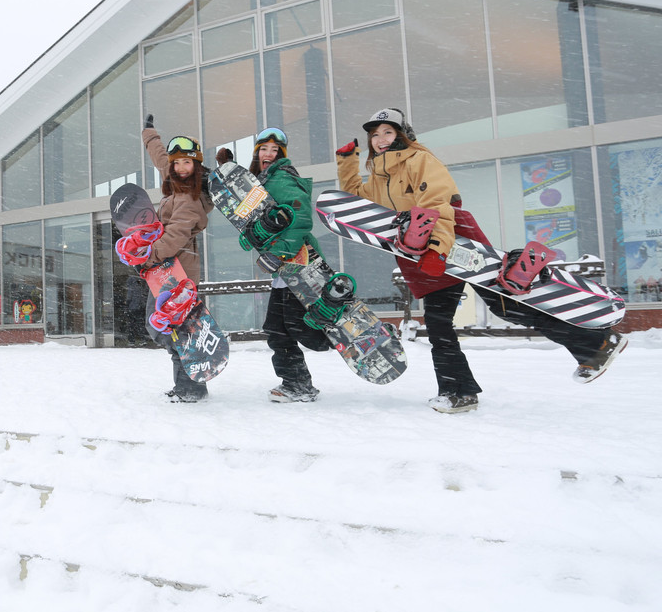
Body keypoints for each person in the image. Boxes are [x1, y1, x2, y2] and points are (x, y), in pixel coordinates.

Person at [336, 108, 627, 413]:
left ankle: (596, 345)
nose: (381, 139)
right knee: (439, 325)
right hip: (416, 252)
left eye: (388, 132)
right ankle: (458, 391)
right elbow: (357, 199)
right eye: (375, 134)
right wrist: (347, 162)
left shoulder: (419, 160)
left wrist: (437, 248)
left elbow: (439, 202)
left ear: (402, 134)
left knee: (507, 306)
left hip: (452, 241)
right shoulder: (381, 176)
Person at [218, 128, 332, 402]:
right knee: (276, 329)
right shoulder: (260, 181)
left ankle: (331, 333)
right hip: (285, 271)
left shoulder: (283, 178)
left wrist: (279, 253)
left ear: (281, 155)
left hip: (298, 263)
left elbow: (301, 219)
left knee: (296, 327)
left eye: (274, 150)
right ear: (256, 153)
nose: (268, 154)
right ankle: (297, 383)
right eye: (263, 149)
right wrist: (224, 171)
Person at [139, 114, 215, 402]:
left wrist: (148, 257)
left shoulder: (190, 198)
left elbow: (174, 237)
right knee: (165, 326)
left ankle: (191, 386)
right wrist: (149, 134)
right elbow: (160, 158)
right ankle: (187, 383)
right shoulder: (175, 182)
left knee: (173, 328)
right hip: (166, 270)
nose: (181, 168)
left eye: (187, 162)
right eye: (177, 162)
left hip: (178, 272)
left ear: (196, 165)